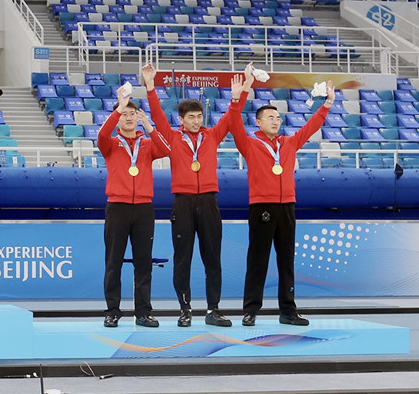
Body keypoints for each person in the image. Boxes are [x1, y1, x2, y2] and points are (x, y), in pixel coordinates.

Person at [142, 63, 253, 328]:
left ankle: (213, 309)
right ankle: (185, 309)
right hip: (183, 203)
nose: (196, 121)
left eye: (199, 116)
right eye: (191, 117)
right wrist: (150, 86)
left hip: (209, 202)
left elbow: (231, 117)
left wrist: (240, 94)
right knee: (183, 260)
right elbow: (157, 115)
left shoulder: (212, 136)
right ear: (181, 119)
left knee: (213, 259)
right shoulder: (172, 138)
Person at [231, 78, 335, 327]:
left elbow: (310, 127)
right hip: (262, 207)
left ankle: (288, 311)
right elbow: (233, 124)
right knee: (257, 261)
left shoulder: (288, 143)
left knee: (286, 261)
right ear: (258, 122)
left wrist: (328, 104)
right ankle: (250, 310)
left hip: (287, 206)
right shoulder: (249, 144)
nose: (276, 121)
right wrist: (236, 99)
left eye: (278, 118)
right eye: (270, 118)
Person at [98, 83, 171, 327]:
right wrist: (118, 108)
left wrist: (149, 127)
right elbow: (101, 135)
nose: (128, 118)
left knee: (143, 262)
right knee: (113, 261)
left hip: (143, 208)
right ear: (118, 117)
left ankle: (143, 312)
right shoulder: (110, 143)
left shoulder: (147, 144)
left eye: (132, 113)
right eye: (124, 114)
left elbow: (167, 149)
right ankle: (112, 311)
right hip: (117, 207)